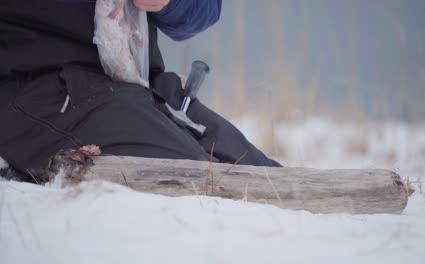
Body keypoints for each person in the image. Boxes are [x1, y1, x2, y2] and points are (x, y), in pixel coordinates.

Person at [0, 0, 280, 182]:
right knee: (198, 177)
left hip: (140, 83)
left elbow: (204, 9)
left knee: (261, 173)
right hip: (36, 85)